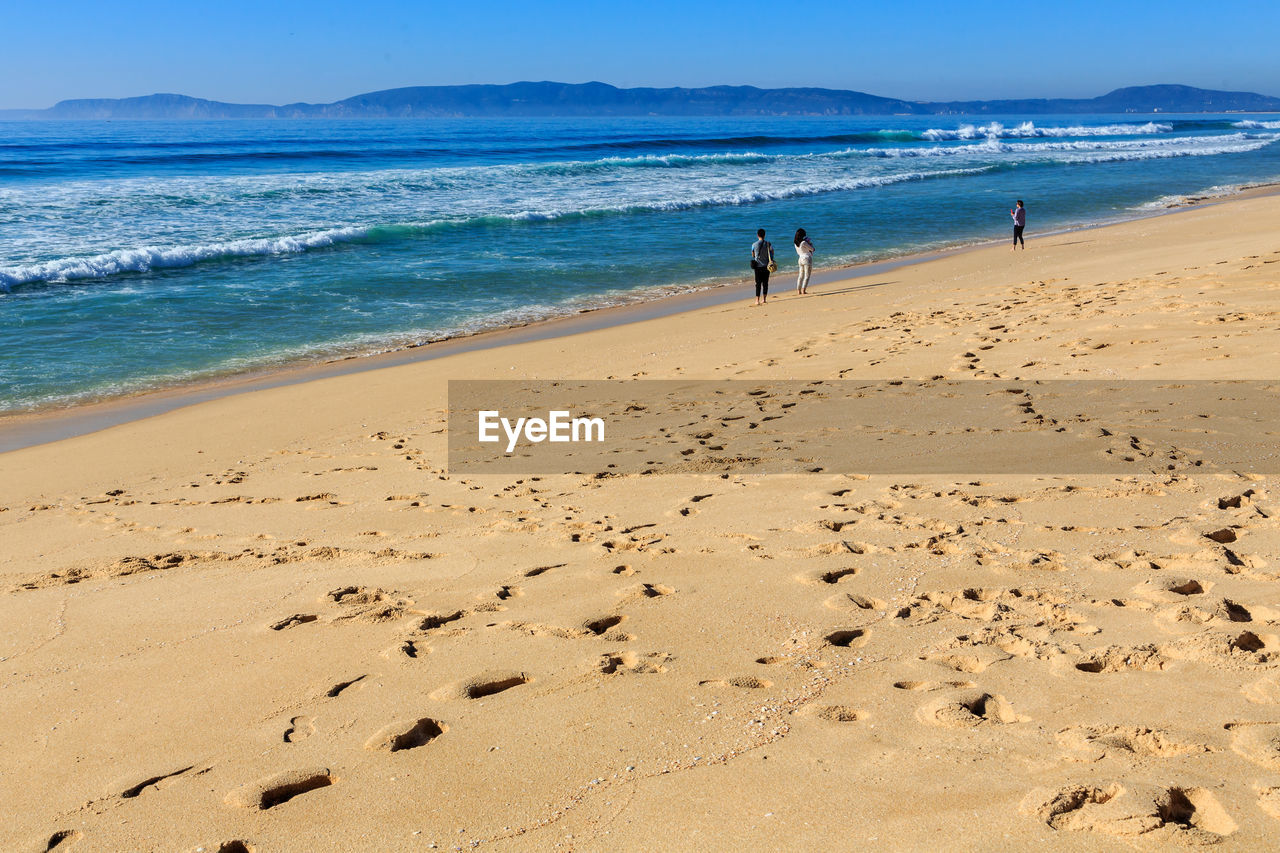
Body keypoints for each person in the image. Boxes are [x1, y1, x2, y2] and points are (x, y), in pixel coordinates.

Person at [750, 228, 774, 305]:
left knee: (758, 283)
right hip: (766, 266)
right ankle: (764, 299)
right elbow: (772, 252)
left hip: (758, 266)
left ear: (757, 235)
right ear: (764, 235)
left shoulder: (754, 244)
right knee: (765, 283)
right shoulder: (768, 244)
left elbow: (753, 255)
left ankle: (757, 300)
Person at [794, 228, 814, 295]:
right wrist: (810, 244)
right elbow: (812, 249)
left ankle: (798, 290)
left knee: (800, 276)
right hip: (806, 258)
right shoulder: (804, 242)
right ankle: (803, 290)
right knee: (807, 276)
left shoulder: (795, 243)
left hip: (800, 259)